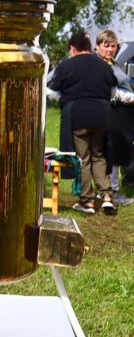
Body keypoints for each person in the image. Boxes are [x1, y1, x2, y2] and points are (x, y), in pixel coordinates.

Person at [48, 31, 117, 215]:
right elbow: (113, 92)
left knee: (83, 158)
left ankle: (87, 202)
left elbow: (52, 93)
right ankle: (107, 198)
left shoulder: (67, 65)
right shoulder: (104, 66)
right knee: (99, 155)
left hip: (79, 117)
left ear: (72, 48)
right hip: (102, 115)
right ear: (88, 47)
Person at [95, 30, 134, 206]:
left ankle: (110, 191)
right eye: (106, 45)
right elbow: (107, 92)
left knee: (115, 153)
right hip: (109, 114)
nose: (110, 49)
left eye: (113, 46)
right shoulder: (100, 65)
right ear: (98, 47)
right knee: (110, 154)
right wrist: (130, 97)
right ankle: (110, 193)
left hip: (121, 117)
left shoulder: (113, 64)